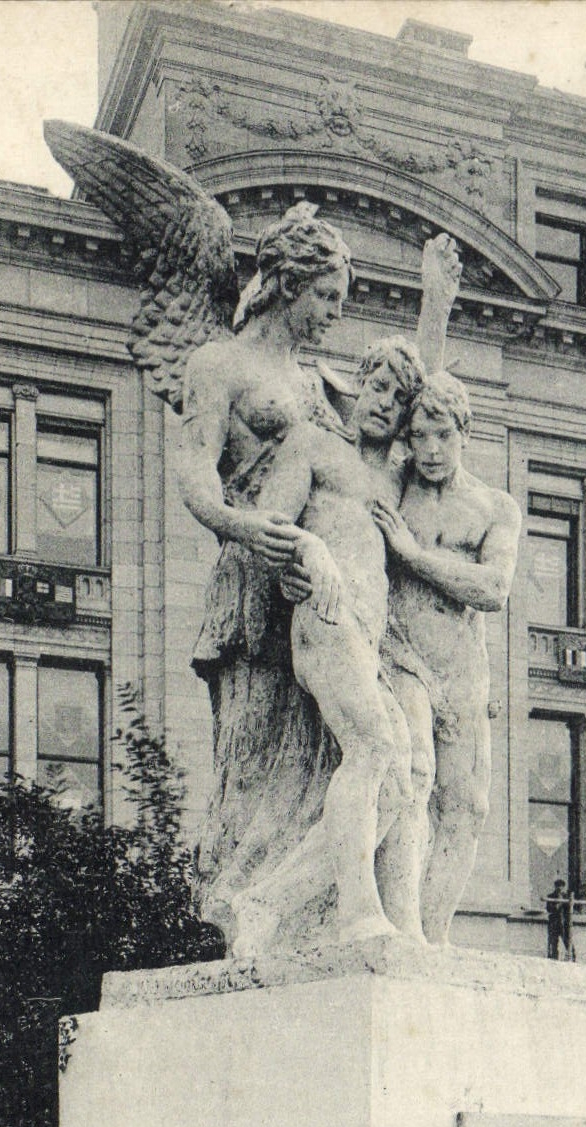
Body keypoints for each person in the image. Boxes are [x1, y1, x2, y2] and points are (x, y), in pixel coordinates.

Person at [178, 218, 460, 926]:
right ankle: (241, 914)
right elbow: (195, 483)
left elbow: (397, 407)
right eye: (329, 295)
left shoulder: (311, 383)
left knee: (316, 768)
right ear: (289, 284)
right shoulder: (219, 364)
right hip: (257, 577)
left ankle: (289, 916)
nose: (338, 312)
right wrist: (276, 540)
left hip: (320, 592)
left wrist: (435, 308)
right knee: (254, 776)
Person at [227, 339, 433, 953]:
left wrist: (437, 301)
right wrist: (302, 556)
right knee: (372, 747)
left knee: (401, 783)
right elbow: (268, 523)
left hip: (370, 637)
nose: (386, 406)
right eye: (378, 389)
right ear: (357, 384)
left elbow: (439, 403)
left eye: (399, 402)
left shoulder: (397, 477)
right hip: (323, 614)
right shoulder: (313, 446)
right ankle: (356, 911)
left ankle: (267, 902)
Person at [371, 373, 521, 945]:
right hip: (400, 655)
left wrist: (412, 554)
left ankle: (433, 937)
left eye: (442, 437)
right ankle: (403, 930)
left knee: (466, 807)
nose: (430, 451)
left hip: (462, 669)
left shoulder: (493, 506)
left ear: (465, 432)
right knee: (412, 778)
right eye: (419, 437)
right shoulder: (391, 486)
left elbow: (494, 589)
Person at [545, 879, 575, 961]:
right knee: (553, 941)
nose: (559, 888)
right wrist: (556, 906)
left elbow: (569, 910)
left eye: (561, 886)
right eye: (558, 886)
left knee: (567, 940)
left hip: (564, 922)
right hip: (554, 922)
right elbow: (548, 909)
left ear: (563, 887)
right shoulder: (550, 896)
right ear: (555, 887)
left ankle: (572, 957)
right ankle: (554, 958)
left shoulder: (567, 897)